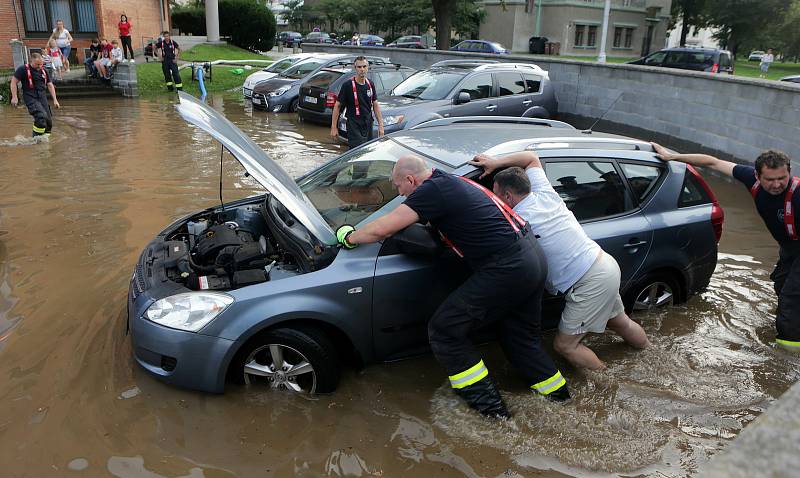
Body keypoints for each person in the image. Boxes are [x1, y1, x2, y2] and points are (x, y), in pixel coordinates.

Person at [335, 155, 570, 418]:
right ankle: (561, 398)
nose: (399, 194)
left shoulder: (430, 191)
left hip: (508, 267)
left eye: (398, 187)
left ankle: (492, 412)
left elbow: (381, 230)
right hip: (531, 258)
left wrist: (349, 236)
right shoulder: (449, 182)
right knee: (520, 339)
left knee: (445, 331)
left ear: (411, 180)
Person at [469, 151, 651, 370]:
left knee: (566, 346)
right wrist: (495, 162)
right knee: (619, 322)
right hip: (604, 265)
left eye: (495, 195)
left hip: (590, 280)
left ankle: (609, 385)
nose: (494, 200)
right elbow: (531, 158)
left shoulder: (516, 220)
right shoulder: (545, 193)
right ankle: (650, 353)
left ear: (508, 196)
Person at [652, 142, 800, 352]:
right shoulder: (749, 178)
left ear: (789, 173)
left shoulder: (798, 194)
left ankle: (789, 354)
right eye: (770, 179)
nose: (776, 185)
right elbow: (712, 162)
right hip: (789, 248)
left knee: (792, 298)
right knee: (781, 285)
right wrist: (672, 157)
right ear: (757, 176)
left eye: (781, 179)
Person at [330, 56, 384, 148]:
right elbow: (337, 106)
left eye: (364, 66)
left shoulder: (370, 84)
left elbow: (375, 104)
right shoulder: (348, 85)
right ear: (355, 68)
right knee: (357, 151)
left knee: (367, 149)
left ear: (367, 67)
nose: (362, 69)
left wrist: (381, 125)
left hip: (368, 123)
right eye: (359, 67)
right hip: (354, 124)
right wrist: (334, 127)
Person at [9, 53, 61, 137]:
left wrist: (55, 100)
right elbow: (13, 82)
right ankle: (36, 139)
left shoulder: (45, 71)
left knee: (48, 122)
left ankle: (45, 140)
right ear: (31, 62)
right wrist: (14, 97)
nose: (39, 66)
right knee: (41, 117)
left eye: (41, 64)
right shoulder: (23, 69)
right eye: (37, 64)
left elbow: (50, 85)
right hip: (30, 97)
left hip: (42, 97)